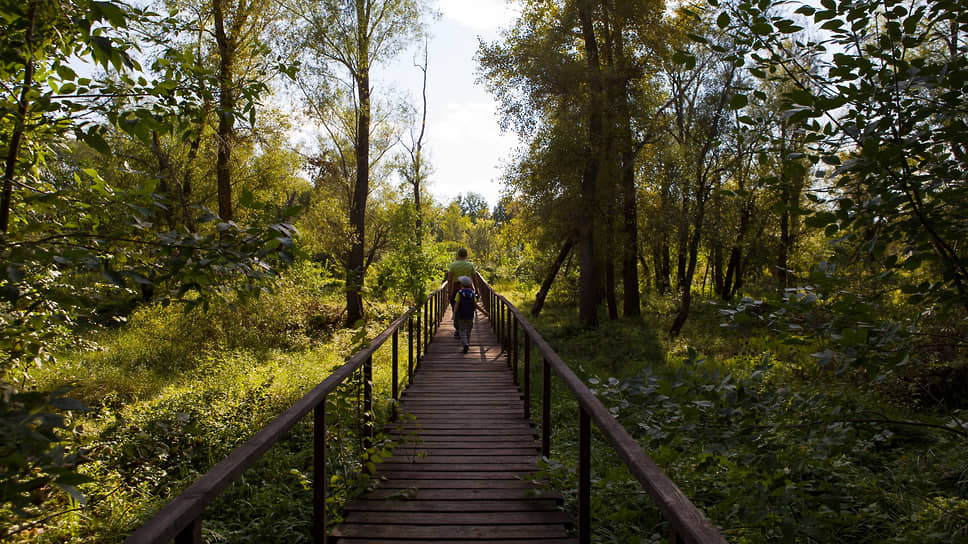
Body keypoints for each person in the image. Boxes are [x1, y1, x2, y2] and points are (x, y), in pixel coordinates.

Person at [447, 248, 475, 336]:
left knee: (455, 308)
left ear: (458, 255)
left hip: (456, 288)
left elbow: (450, 279)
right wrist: (476, 290)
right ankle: (466, 328)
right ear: (466, 255)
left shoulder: (453, 265)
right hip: (469, 289)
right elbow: (474, 278)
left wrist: (449, 292)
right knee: (468, 307)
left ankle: (458, 329)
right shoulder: (470, 265)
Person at [454, 276, 478, 353]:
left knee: (462, 330)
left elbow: (457, 304)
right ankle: (467, 342)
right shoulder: (472, 293)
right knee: (469, 330)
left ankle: (465, 344)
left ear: (461, 284)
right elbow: (475, 304)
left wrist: (454, 313)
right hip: (470, 315)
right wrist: (484, 312)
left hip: (461, 314)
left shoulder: (459, 293)